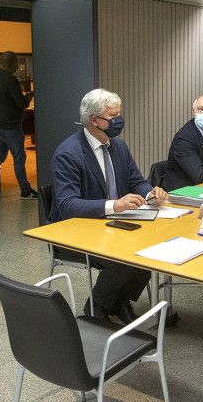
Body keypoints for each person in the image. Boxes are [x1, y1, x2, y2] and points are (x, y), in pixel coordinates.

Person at [49, 89, 166, 323]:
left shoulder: (118, 147)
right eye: (113, 116)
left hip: (112, 224)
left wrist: (150, 192)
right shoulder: (68, 153)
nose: (118, 121)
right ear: (94, 120)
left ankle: (119, 299)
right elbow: (67, 205)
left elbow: (136, 180)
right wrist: (114, 205)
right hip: (75, 230)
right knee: (124, 255)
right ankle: (96, 306)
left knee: (151, 245)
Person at [0, 51, 37, 200]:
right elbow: (21, 103)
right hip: (11, 126)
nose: (18, 65)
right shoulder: (10, 80)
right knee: (19, 158)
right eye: (16, 62)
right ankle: (25, 190)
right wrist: (30, 95)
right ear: (10, 63)